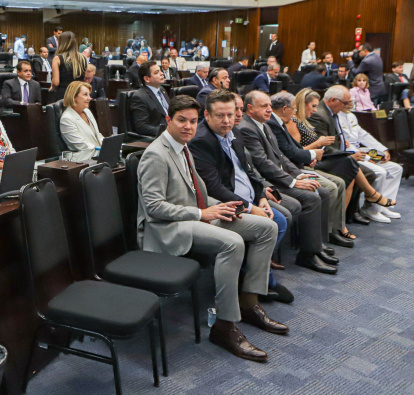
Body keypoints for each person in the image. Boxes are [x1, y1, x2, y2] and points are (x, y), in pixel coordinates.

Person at [136, 94, 284, 362]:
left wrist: (224, 206)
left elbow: (198, 194)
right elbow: (154, 208)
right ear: (168, 120)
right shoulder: (156, 155)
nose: (188, 126)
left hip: (195, 216)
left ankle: (248, 303)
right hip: (169, 228)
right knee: (232, 243)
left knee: (266, 228)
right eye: (182, 120)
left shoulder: (183, 147)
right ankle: (224, 326)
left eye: (193, 121)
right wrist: (201, 213)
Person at [190, 89, 295, 302]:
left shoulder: (233, 132)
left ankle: (249, 273)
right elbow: (214, 188)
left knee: (282, 219)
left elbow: (249, 171)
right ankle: (261, 281)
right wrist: (250, 207)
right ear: (207, 115)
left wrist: (261, 197)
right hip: (223, 203)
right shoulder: (201, 141)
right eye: (220, 115)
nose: (227, 120)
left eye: (230, 114)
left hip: (247, 197)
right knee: (275, 223)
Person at [236, 91, 337, 274]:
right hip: (268, 181)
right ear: (250, 108)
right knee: (311, 198)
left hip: (279, 176)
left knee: (322, 192)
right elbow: (262, 163)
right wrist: (292, 182)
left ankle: (315, 247)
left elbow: (281, 156)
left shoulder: (264, 125)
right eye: (264, 106)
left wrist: (298, 175)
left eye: (269, 105)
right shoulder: (246, 128)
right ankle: (307, 254)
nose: (269, 109)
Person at [267, 91, 351, 246]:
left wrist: (308, 158)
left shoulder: (282, 121)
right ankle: (319, 240)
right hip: (290, 170)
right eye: (264, 107)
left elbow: (287, 153)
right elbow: (288, 154)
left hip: (299, 166)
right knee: (329, 187)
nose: (268, 110)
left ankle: (330, 233)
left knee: (341, 178)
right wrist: (311, 154)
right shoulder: (276, 122)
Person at [309, 86, 396, 223]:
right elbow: (324, 147)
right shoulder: (319, 115)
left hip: (337, 155)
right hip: (324, 159)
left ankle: (352, 211)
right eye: (345, 102)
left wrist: (346, 152)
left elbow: (342, 138)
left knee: (368, 172)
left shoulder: (332, 112)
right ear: (333, 100)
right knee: (356, 168)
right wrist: (347, 155)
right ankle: (351, 212)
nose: (347, 105)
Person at [339, 98, 403, 221]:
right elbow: (345, 145)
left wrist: (382, 149)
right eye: (348, 100)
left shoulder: (351, 116)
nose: (352, 102)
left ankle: (382, 206)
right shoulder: (335, 118)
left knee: (396, 168)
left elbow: (363, 135)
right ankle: (371, 209)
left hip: (361, 153)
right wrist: (368, 158)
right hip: (353, 155)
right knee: (380, 172)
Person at [60, 81, 105, 154]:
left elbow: (98, 135)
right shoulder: (67, 119)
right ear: (74, 97)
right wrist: (102, 150)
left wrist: (108, 144)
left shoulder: (87, 111)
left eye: (89, 95)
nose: (89, 98)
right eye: (85, 94)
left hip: (98, 153)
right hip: (84, 158)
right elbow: (81, 145)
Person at [129, 61, 169, 137]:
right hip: (157, 137)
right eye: (157, 72)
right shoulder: (139, 97)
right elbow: (141, 126)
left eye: (160, 71)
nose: (162, 73)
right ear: (147, 79)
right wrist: (167, 132)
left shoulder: (162, 90)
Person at [49, 31, 87, 102]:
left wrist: (51, 89)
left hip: (63, 95)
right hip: (79, 93)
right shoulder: (83, 58)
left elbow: (55, 82)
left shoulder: (57, 58)